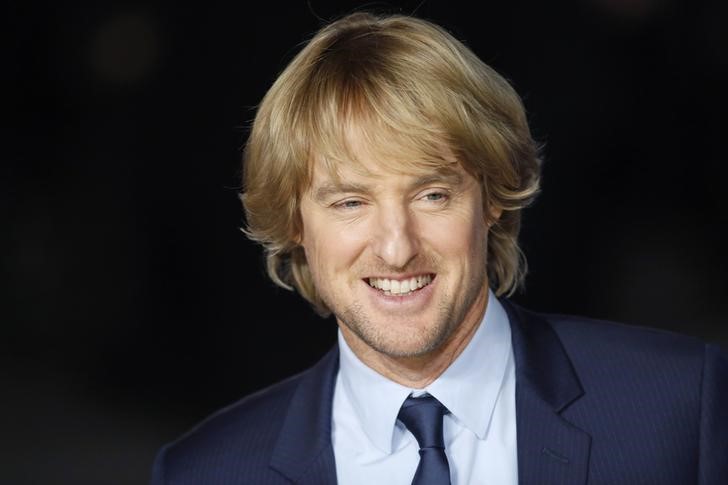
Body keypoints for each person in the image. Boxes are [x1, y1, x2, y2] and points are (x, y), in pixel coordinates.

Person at [150, 12, 727, 485]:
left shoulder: (680, 407)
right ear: (295, 224)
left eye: (431, 194)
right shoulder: (206, 472)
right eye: (350, 202)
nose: (397, 249)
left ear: (493, 198)